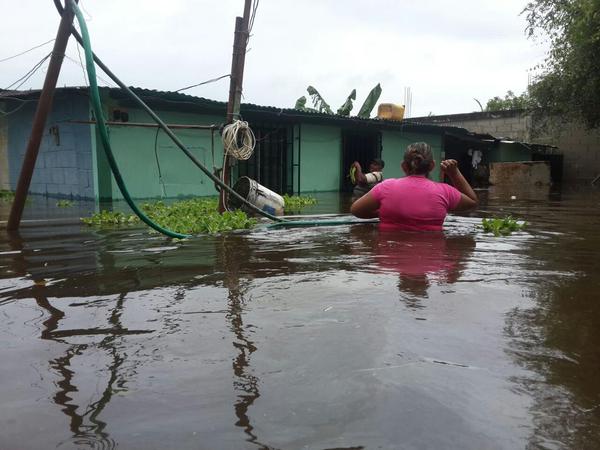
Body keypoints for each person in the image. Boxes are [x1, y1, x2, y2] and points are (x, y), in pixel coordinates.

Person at [350, 142, 478, 231]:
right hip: (433, 257)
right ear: (432, 166)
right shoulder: (445, 191)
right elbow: (472, 202)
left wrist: (382, 213)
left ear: (403, 166)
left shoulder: (385, 187)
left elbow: (356, 210)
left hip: (389, 258)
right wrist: (454, 173)